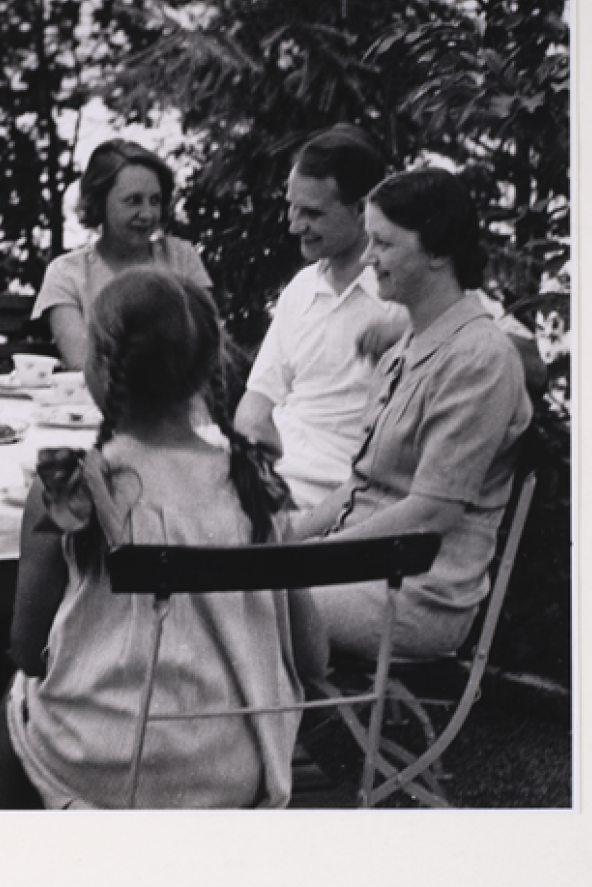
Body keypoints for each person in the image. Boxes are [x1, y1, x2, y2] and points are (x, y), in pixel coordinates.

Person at [0, 267, 325, 809]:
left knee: (13, 702)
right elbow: (312, 659)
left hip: (101, 763)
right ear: (207, 370)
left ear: (99, 367)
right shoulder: (256, 485)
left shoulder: (70, 486)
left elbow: (28, 651)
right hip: (229, 767)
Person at [235, 124, 545, 510]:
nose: (294, 225)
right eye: (292, 207)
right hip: (277, 479)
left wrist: (416, 329)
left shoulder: (416, 285)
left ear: (361, 207)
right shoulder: (301, 288)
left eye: (312, 213)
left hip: (338, 493)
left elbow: (528, 365)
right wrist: (250, 457)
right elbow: (257, 402)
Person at [292, 169, 533, 660]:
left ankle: (267, 737)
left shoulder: (479, 358)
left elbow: (432, 511)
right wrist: (279, 543)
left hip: (417, 593)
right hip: (363, 570)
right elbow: (359, 486)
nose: (366, 257)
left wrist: (307, 562)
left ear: (438, 252)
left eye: (382, 242)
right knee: (227, 588)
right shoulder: (407, 346)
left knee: (242, 606)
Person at [33, 140, 213, 370]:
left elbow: (207, 347)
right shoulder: (68, 273)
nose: (147, 214)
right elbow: (81, 362)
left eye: (155, 201)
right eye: (133, 201)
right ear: (99, 203)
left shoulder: (181, 259)